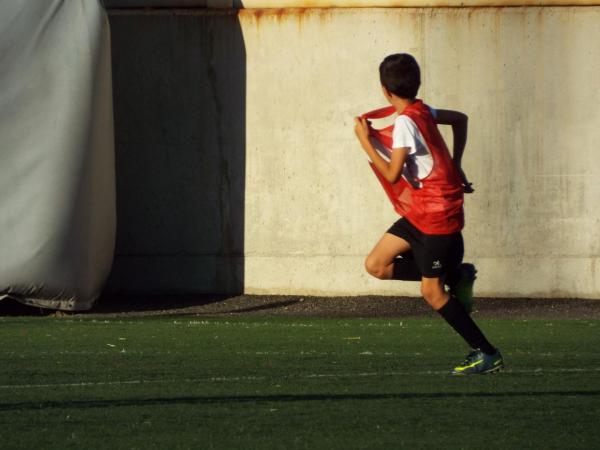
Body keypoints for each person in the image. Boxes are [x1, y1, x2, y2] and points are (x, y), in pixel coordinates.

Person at [354, 53, 503, 375]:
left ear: (384, 90)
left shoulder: (407, 121)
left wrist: (366, 142)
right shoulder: (422, 110)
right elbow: (461, 118)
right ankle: (455, 275)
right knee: (376, 265)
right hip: (419, 213)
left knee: (431, 292)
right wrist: (457, 163)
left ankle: (486, 352)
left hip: (436, 219)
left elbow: (393, 174)